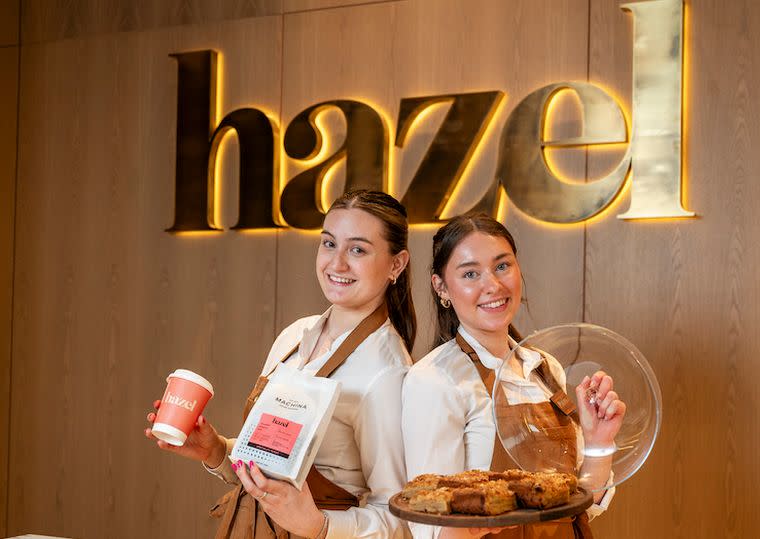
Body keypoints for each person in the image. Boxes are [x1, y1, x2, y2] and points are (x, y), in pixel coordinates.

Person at [145, 190, 416, 539]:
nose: (336, 264)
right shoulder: (294, 336)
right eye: (329, 244)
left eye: (358, 250)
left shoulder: (387, 372)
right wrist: (216, 451)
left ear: (397, 263)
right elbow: (272, 469)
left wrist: (320, 526)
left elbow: (397, 518)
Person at [401, 213, 626, 539]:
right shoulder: (434, 380)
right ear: (441, 287)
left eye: (502, 266)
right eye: (470, 273)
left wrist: (599, 442)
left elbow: (579, 507)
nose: (492, 285)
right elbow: (430, 528)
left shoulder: (545, 369)